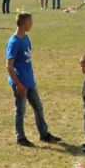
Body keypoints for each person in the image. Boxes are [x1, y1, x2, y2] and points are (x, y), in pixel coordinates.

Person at [5, 11, 60, 147]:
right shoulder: (14, 42)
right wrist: (18, 84)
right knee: (20, 110)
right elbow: (9, 66)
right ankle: (20, 138)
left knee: (38, 107)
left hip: (29, 81)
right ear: (24, 23)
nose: (32, 24)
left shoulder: (26, 38)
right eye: (30, 21)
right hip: (20, 83)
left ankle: (44, 134)